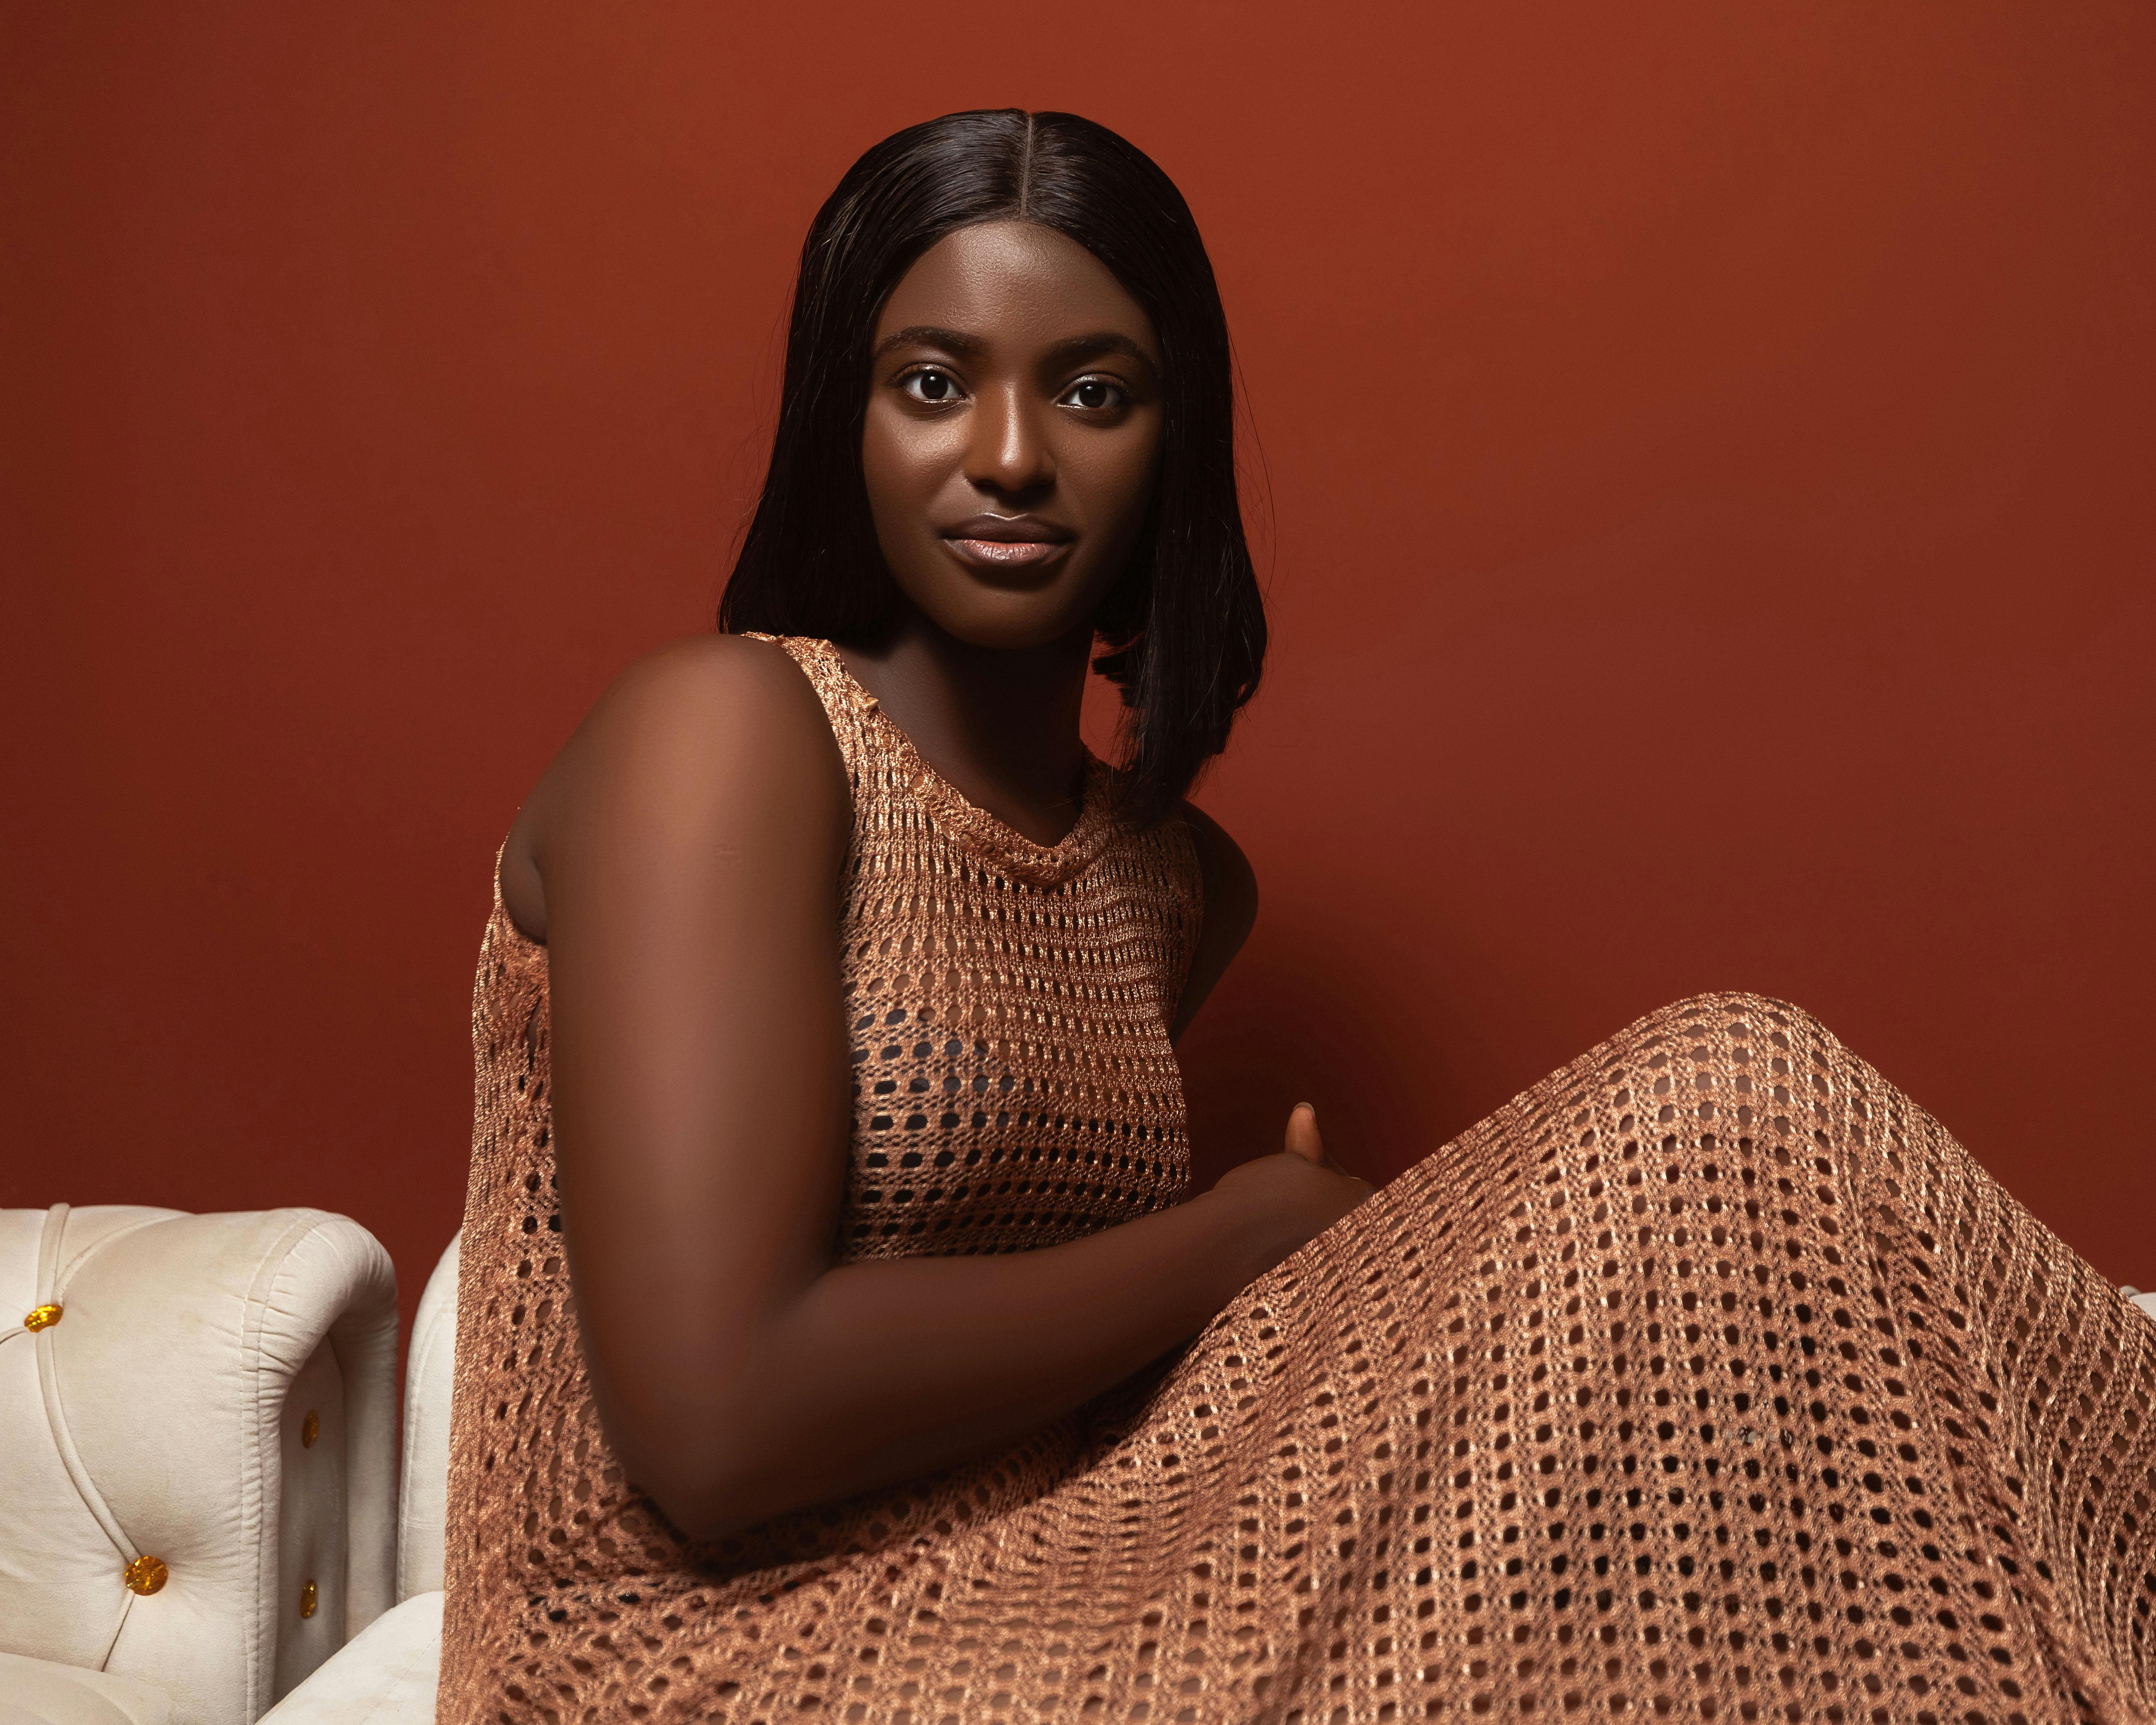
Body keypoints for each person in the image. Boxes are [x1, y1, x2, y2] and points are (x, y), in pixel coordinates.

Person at [437, 110, 2154, 1723]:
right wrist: (1245, 1233)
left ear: (1174, 438)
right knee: (1718, 1096)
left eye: (1094, 391)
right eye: (935, 382)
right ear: (845, 413)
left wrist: (1315, 1304)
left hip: (1076, 1572)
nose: (1014, 457)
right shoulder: (728, 730)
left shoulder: (1175, 884)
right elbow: (716, 1414)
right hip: (713, 1663)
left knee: (1751, 1230)